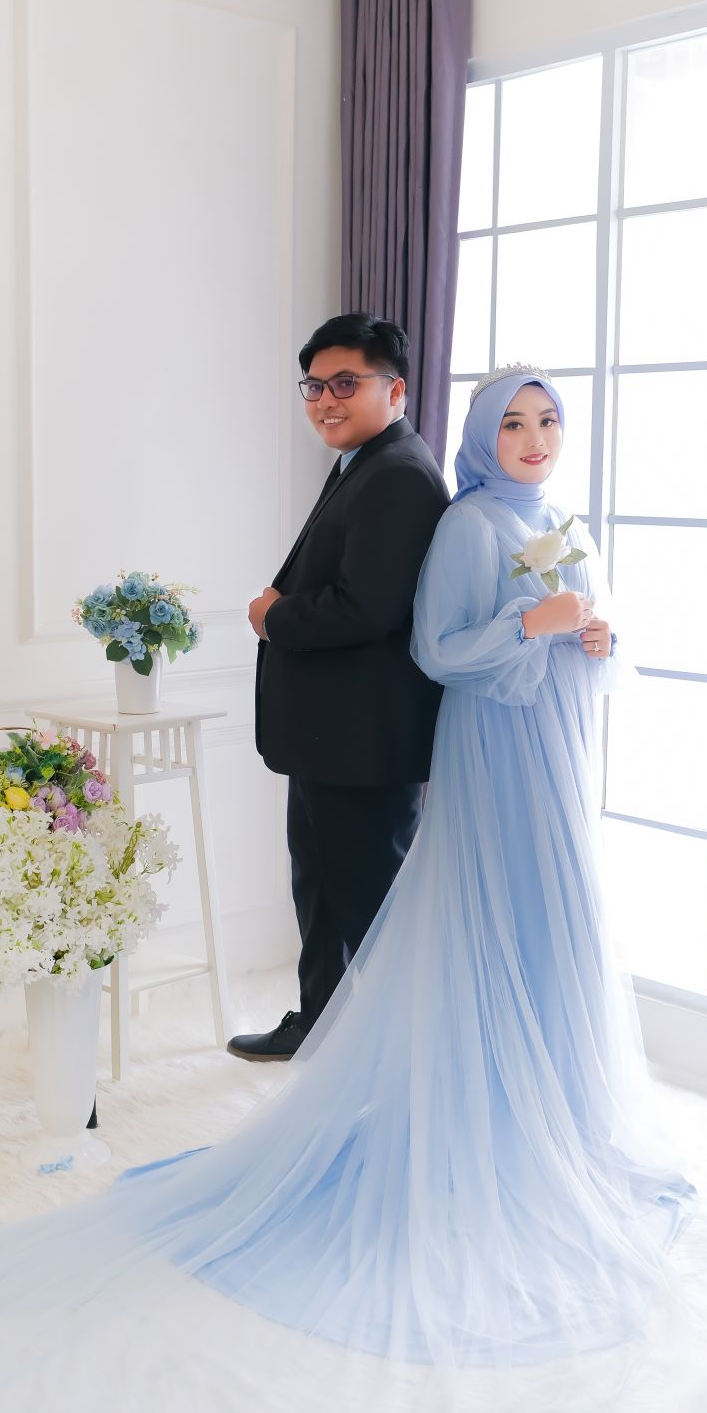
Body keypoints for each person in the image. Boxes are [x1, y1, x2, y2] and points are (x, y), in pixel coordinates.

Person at [0, 368, 707, 1413]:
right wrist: (535, 620)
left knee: (561, 933)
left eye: (549, 420)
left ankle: (559, 1124)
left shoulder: (564, 523)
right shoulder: (470, 524)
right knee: (491, 920)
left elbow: (586, 650)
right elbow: (441, 652)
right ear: (485, 436)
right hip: (496, 759)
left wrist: (591, 639)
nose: (534, 438)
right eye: (515, 422)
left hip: (559, 756)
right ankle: (481, 1123)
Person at [230, 312, 449, 1060]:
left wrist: (273, 617)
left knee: (370, 907)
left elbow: (369, 607)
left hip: (364, 742)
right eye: (315, 386)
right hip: (331, 736)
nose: (326, 400)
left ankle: (389, 1061)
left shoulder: (399, 475)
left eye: (345, 383)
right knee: (320, 887)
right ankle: (318, 1028)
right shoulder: (367, 460)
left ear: (396, 389)